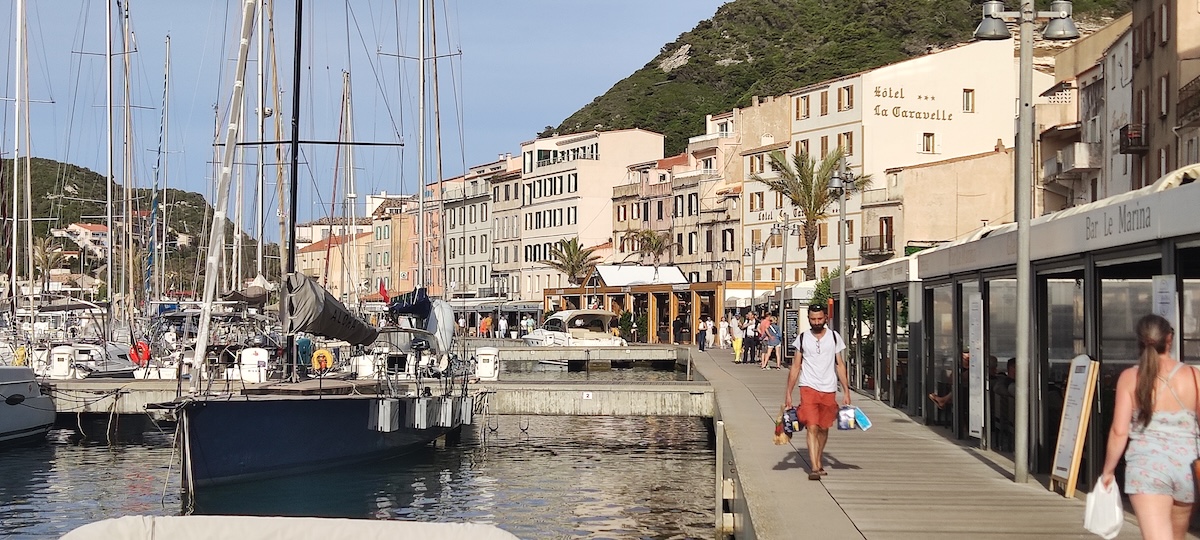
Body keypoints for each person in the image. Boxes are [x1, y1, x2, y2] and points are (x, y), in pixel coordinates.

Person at [1101, 314, 1197, 540]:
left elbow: (1119, 431)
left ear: (1140, 341)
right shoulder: (1193, 376)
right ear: (1169, 338)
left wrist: (1108, 471)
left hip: (1147, 469)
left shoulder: (1130, 377)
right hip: (1187, 470)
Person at [784, 304, 849, 481]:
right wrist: (788, 393)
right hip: (808, 387)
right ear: (809, 319)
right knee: (812, 426)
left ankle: (818, 460)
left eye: (819, 319)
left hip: (829, 388)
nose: (816, 322)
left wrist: (846, 391)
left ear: (825, 318)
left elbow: (840, 365)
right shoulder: (803, 338)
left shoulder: (834, 338)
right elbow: (796, 366)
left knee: (824, 427)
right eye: (813, 319)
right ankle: (814, 466)